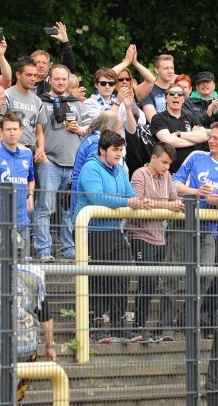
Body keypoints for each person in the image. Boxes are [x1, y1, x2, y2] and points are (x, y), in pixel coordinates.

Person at [72, 130, 149, 341]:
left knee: (122, 274)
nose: (119, 153)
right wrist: (128, 202)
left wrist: (139, 201)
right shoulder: (90, 168)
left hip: (113, 231)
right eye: (115, 149)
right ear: (102, 150)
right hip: (90, 231)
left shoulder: (119, 170)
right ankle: (92, 327)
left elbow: (130, 195)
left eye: (121, 149)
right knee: (96, 280)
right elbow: (97, 198)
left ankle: (117, 325)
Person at [0, 231, 56, 405]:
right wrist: (50, 346)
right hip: (27, 348)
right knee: (14, 399)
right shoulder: (35, 277)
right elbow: (45, 315)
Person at [173, 122, 218, 331]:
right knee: (172, 274)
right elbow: (175, 184)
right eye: (210, 137)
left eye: (216, 138)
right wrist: (195, 191)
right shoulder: (196, 157)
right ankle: (164, 325)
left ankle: (187, 321)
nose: (211, 141)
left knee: (205, 275)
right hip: (183, 223)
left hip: (209, 228)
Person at [128, 143, 184, 341]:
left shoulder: (167, 176)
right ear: (153, 157)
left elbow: (175, 201)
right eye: (164, 162)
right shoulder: (139, 174)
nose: (167, 167)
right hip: (140, 235)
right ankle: (137, 325)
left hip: (161, 238)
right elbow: (140, 202)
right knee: (148, 280)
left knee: (151, 283)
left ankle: (140, 325)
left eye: (169, 164)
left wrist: (169, 205)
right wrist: (169, 206)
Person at [32, 64, 86, 262]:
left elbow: (92, 127)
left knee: (68, 211)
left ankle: (68, 250)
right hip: (49, 162)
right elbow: (34, 130)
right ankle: (44, 251)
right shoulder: (40, 102)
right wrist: (42, 154)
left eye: (64, 79)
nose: (61, 82)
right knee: (44, 208)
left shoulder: (77, 103)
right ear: (49, 80)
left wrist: (79, 129)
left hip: (73, 164)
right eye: (57, 79)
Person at [0, 112, 36, 256]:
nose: (12, 133)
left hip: (22, 221)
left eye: (15, 129)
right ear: (1, 132)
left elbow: (31, 178)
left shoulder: (27, 153)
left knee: (23, 271)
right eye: (8, 129)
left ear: (21, 131)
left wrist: (30, 195)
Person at [150, 82, 209, 172]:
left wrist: (179, 134)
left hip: (192, 171)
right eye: (172, 94)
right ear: (166, 98)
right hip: (169, 172)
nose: (176, 96)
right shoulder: (158, 118)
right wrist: (194, 139)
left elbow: (204, 136)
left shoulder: (190, 117)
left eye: (180, 94)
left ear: (183, 99)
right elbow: (168, 141)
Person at [2, 56, 47, 162]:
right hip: (10, 150)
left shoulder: (37, 101)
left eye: (35, 75)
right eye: (29, 75)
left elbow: (39, 132)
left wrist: (41, 148)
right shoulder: (7, 95)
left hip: (31, 151)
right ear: (18, 75)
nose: (33, 79)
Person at [141, 53, 176, 122]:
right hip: (159, 130)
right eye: (166, 68)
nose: (170, 71)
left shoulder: (177, 90)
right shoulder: (148, 90)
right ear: (156, 70)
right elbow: (153, 121)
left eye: (172, 68)